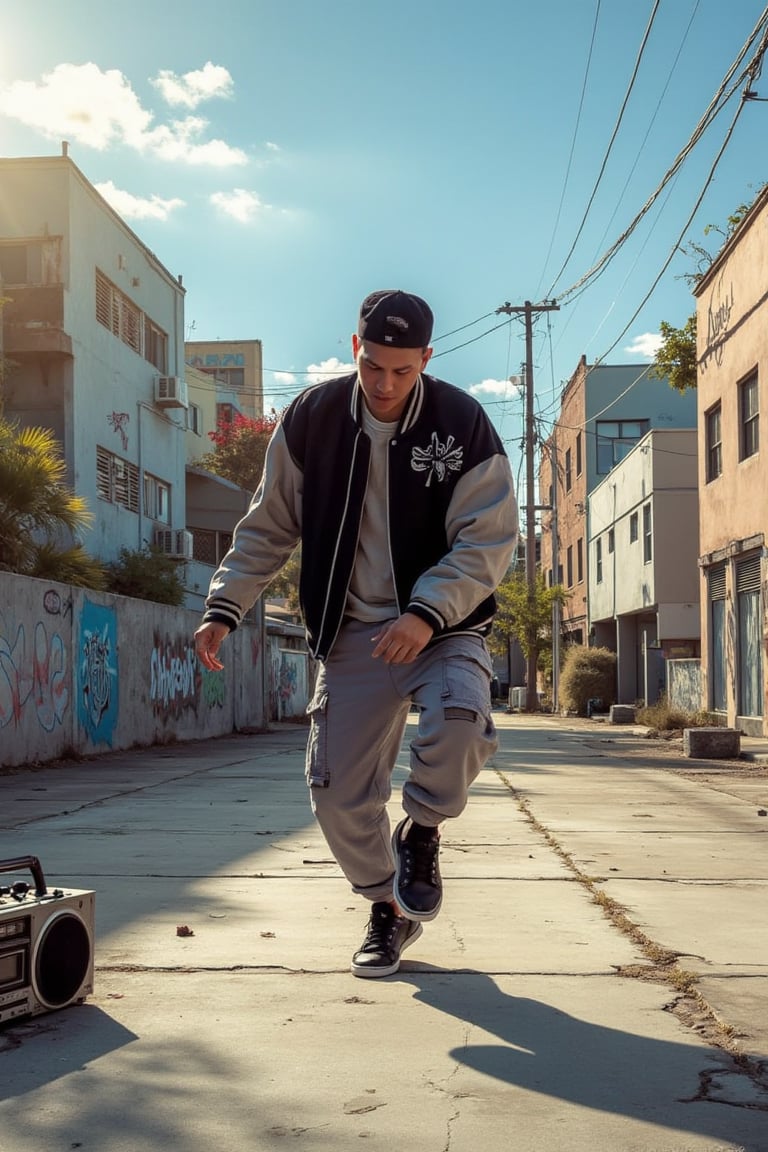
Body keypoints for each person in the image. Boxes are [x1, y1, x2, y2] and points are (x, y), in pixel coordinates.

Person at [195, 289, 518, 978]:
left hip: (444, 629)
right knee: (335, 794)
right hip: (352, 635)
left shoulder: (463, 422)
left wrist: (426, 612)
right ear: (355, 350)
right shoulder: (311, 420)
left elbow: (485, 543)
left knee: (462, 720)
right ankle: (387, 909)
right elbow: (269, 522)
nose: (386, 384)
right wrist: (224, 605)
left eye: (402, 371)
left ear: (426, 359)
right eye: (374, 366)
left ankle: (422, 831)